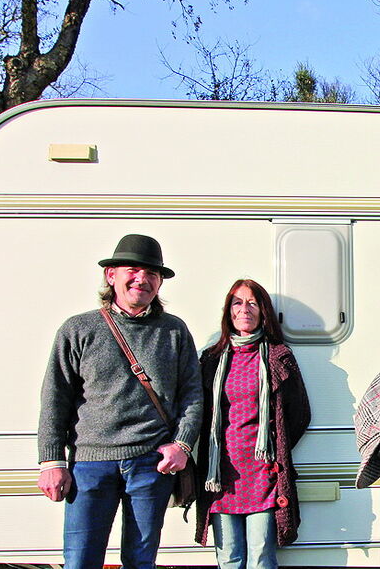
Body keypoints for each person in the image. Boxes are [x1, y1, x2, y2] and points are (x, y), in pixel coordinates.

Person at [37, 234, 201, 569]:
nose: (143, 279)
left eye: (152, 274)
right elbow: (56, 397)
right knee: (81, 560)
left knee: (141, 562)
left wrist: (181, 445)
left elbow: (192, 394)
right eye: (133, 270)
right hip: (90, 466)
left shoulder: (174, 331)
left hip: (150, 464)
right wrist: (51, 461)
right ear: (111, 275)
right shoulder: (78, 329)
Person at [195, 279, 311, 569]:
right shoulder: (211, 359)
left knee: (261, 557)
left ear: (263, 311)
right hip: (220, 474)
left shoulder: (278, 356)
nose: (244, 309)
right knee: (229, 557)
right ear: (228, 311)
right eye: (237, 302)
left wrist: (275, 449)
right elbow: (197, 412)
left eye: (252, 303)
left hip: (263, 474)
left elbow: (300, 413)